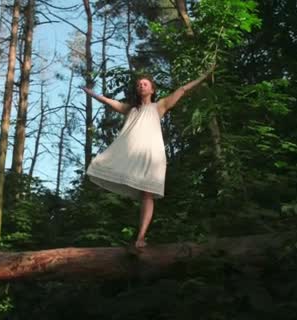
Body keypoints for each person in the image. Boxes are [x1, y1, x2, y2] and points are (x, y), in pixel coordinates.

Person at [82, 68, 213, 249]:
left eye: (145, 84)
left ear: (152, 89)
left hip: (152, 155)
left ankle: (141, 237)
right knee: (111, 171)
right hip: (130, 154)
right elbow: (108, 101)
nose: (141, 86)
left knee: (147, 194)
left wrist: (204, 76)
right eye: (138, 85)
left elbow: (182, 89)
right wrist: (92, 94)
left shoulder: (159, 106)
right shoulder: (131, 109)